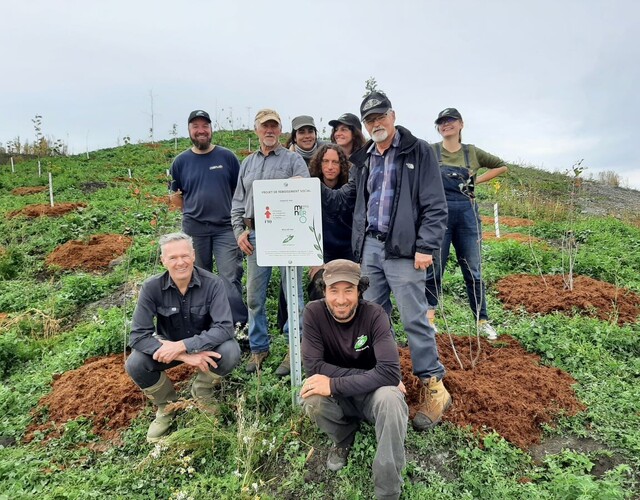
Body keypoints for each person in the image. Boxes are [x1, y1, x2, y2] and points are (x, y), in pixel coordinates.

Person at [321, 91, 452, 431]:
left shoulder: (417, 150)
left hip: (406, 251)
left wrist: (425, 245)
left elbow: (436, 204)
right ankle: (381, 377)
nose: (376, 123)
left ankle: (433, 385)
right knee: (372, 318)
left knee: (414, 319)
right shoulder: (365, 158)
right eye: (369, 120)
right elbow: (357, 202)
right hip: (372, 250)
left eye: (380, 116)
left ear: (393, 115)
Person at [301, 259, 408, 500]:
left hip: (374, 395)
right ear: (323, 290)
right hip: (345, 394)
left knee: (391, 398)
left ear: (359, 290)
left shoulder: (375, 315)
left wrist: (334, 381)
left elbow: (391, 372)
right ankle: (343, 437)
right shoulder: (313, 313)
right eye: (333, 290)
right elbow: (314, 367)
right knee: (312, 395)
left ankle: (388, 490)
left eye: (348, 290)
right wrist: (374, 376)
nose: (341, 299)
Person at [125, 232, 241, 443]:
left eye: (185, 256)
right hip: (169, 351)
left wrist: (183, 346)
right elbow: (137, 335)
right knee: (135, 363)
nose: (180, 262)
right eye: (173, 258)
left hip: (204, 347)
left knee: (231, 351)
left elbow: (224, 328)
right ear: (163, 261)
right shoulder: (151, 288)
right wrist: (185, 355)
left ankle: (203, 390)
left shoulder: (213, 284)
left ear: (194, 255)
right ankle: (167, 406)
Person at [231, 109, 309, 376]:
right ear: (256, 130)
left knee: (293, 295)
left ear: (280, 129)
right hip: (256, 236)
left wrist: (299, 185)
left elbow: (306, 196)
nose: (269, 131)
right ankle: (259, 347)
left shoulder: (293, 160)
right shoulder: (247, 164)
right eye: (264, 126)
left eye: (274, 126)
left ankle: (293, 349)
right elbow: (238, 203)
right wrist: (239, 231)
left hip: (288, 235)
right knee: (254, 297)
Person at [424, 108, 509, 340]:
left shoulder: (472, 153)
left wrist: (475, 181)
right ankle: (429, 320)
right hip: (438, 215)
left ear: (461, 124)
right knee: (434, 268)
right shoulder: (432, 151)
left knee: (473, 271)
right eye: (441, 122)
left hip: (467, 216)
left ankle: (482, 320)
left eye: (450, 120)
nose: (445, 124)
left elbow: (501, 165)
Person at [169, 109, 247, 327]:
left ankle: (237, 326)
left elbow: (239, 193)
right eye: (196, 127)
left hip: (225, 229)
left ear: (211, 129)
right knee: (198, 279)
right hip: (195, 231)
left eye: (205, 126)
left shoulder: (227, 157)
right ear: (189, 131)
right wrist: (194, 211)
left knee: (229, 278)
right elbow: (176, 196)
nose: (201, 131)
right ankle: (205, 325)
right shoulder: (180, 162)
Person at [307, 144, 354, 301]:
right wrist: (316, 261)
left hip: (348, 251)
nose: (330, 167)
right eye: (325, 161)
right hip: (322, 252)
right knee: (319, 286)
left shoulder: (350, 188)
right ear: (319, 164)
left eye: (335, 162)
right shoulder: (309, 189)